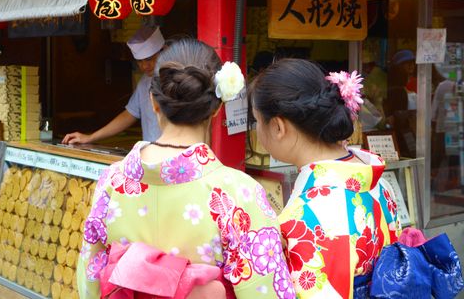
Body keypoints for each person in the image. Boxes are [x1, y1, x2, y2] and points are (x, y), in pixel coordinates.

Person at [77, 39, 295, 299]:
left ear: (153, 103)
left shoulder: (112, 181)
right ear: (217, 109)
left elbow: (89, 277)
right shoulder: (239, 194)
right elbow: (266, 292)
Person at [248, 59, 400, 298]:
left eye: (257, 120)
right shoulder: (378, 181)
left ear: (278, 127)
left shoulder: (305, 214)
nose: (257, 129)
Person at [62, 25, 164, 145]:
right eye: (139, 61)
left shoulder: (179, 79)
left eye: (149, 59)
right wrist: (90, 138)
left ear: (162, 51)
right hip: (151, 153)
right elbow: (129, 114)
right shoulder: (144, 82)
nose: (144, 66)